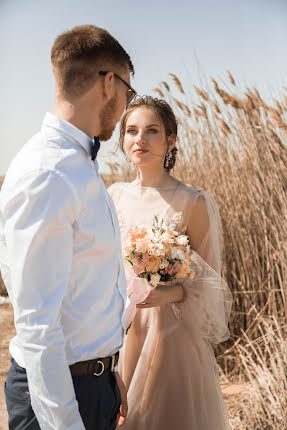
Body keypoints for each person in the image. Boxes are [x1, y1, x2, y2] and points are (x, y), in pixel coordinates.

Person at [0, 25, 137, 430]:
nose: (128, 103)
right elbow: (38, 325)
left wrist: (108, 373)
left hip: (91, 385)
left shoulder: (78, 165)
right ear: (109, 83)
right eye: (129, 89)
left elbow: (85, 293)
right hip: (58, 399)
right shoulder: (49, 173)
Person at [108, 96, 233, 430]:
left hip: (171, 337)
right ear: (123, 140)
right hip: (122, 333)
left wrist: (170, 294)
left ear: (170, 139)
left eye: (152, 131)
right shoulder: (114, 196)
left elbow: (211, 284)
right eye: (132, 131)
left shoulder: (192, 202)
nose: (141, 140)